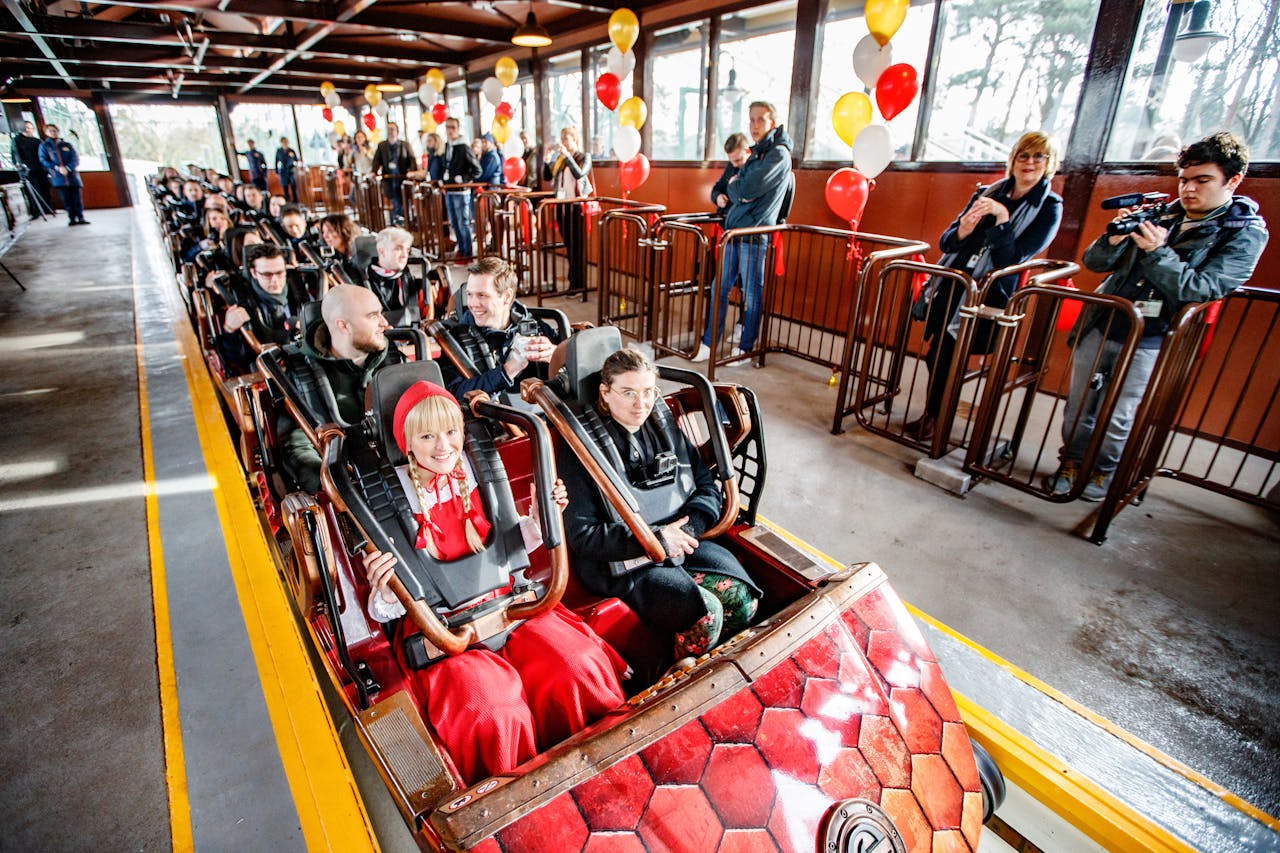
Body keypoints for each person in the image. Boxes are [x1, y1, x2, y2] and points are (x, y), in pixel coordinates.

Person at [360, 380, 627, 784]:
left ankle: (601, 768)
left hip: (511, 607)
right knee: (492, 711)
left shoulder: (474, 471)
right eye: (427, 435)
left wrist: (541, 516)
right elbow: (388, 607)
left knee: (576, 667)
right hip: (446, 632)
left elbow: (510, 546)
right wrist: (383, 588)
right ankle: (513, 792)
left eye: (451, 432)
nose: (443, 446)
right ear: (407, 443)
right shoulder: (386, 495)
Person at [1045, 132, 1268, 500]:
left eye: (1202, 180)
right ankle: (1070, 462)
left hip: (1152, 335)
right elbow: (1095, 263)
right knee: (1080, 403)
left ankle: (1103, 471)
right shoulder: (1161, 212)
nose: (1189, 189)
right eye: (1184, 180)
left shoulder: (1243, 233)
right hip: (1105, 321)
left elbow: (1202, 287)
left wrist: (1157, 253)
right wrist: (1114, 240)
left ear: (1233, 180)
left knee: (1118, 413)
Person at [560, 347, 761, 659]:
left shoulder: (663, 428)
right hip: (622, 561)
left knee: (743, 599)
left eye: (648, 392)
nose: (641, 404)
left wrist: (691, 527)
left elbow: (705, 486)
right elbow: (585, 536)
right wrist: (656, 539)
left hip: (681, 540)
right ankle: (676, 668)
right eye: (628, 393)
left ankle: (718, 664)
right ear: (605, 392)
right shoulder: (579, 448)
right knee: (705, 615)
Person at [904, 131, 1064, 442]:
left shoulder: (1049, 207)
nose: (1029, 163)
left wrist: (1002, 220)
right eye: (1023, 156)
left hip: (989, 295)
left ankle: (938, 418)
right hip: (954, 283)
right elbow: (947, 240)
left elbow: (1013, 259)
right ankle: (933, 414)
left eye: (1038, 157)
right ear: (1013, 161)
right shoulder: (990, 191)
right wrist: (963, 230)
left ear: (1049, 164)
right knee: (936, 354)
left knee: (952, 356)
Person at [692, 102, 792, 363]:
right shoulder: (759, 154)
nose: (755, 125)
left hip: (754, 235)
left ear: (772, 121)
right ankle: (709, 342)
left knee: (751, 294)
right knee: (719, 289)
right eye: (751, 120)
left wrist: (738, 190)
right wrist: (739, 189)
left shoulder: (777, 154)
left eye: (761, 119)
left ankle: (746, 347)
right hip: (734, 233)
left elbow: (745, 189)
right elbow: (736, 187)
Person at [280, 284, 404, 492]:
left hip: (403, 472)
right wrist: (339, 486)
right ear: (343, 326)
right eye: (373, 316)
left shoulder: (393, 357)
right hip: (349, 484)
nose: (384, 323)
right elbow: (297, 449)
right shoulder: (301, 375)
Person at [437, 256, 560, 402]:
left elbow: (570, 367)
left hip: (540, 411)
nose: (473, 304)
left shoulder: (533, 324)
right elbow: (450, 394)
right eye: (470, 294)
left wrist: (554, 354)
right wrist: (509, 370)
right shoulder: (455, 338)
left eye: (482, 295)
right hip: (491, 420)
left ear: (507, 297)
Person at [217, 243, 306, 375]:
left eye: (280, 273)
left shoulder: (297, 289)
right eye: (267, 274)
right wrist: (230, 329)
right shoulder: (241, 297)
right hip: (266, 369)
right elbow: (236, 359)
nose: (275, 280)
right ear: (253, 273)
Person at [542, 126, 593, 293]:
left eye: (566, 138)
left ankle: (578, 284)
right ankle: (574, 283)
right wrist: (547, 159)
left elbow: (580, 174)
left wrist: (567, 157)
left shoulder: (583, 157)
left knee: (577, 247)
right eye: (562, 138)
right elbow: (547, 176)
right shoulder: (561, 160)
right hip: (562, 207)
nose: (563, 141)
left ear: (575, 140)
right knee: (569, 246)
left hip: (576, 207)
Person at [364, 226, 421, 326]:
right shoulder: (365, 279)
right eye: (398, 248)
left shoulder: (407, 277)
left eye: (407, 250)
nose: (404, 255)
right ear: (382, 251)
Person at [442, 117, 481, 259]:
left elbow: (477, 170)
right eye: (448, 127)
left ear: (458, 129)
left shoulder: (464, 147)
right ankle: (461, 249)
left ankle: (467, 252)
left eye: (453, 127)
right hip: (449, 190)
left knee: (462, 222)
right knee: (454, 222)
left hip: (461, 192)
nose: (450, 130)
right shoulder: (447, 146)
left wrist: (463, 179)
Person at [38, 123, 88, 226]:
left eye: (55, 130)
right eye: (50, 131)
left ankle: (81, 217)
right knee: (66, 199)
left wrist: (68, 168)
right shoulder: (44, 146)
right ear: (46, 132)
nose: (53, 132)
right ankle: (72, 218)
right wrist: (57, 168)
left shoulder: (66, 145)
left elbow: (75, 159)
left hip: (72, 176)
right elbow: (43, 160)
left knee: (77, 198)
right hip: (58, 177)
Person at [372, 121, 417, 225]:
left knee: (404, 201)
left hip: (403, 178)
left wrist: (411, 171)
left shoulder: (405, 145)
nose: (390, 132)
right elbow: (376, 160)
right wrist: (374, 172)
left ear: (397, 131)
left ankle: (405, 222)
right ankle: (397, 222)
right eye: (388, 130)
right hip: (389, 179)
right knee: (395, 202)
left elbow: (412, 160)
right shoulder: (382, 145)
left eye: (392, 129)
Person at [11, 121, 53, 217]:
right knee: (34, 191)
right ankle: (36, 211)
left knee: (45, 189)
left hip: (41, 169)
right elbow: (15, 156)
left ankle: (48, 209)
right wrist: (18, 165)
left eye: (30, 128)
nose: (28, 130)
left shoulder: (37, 141)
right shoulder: (16, 141)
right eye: (26, 127)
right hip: (28, 171)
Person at [711, 133, 752, 215]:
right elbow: (716, 189)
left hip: (741, 219)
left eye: (738, 160)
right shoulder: (732, 166)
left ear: (748, 151)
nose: (735, 165)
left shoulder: (756, 169)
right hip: (724, 217)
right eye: (731, 161)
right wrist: (718, 197)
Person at [318, 213, 363, 283]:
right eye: (323, 232)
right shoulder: (334, 257)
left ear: (344, 231)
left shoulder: (358, 256)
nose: (325, 236)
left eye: (330, 231)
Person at [275, 136, 300, 203]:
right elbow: (276, 161)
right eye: (283, 142)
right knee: (285, 189)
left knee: (294, 188)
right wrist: (276, 171)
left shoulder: (291, 150)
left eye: (286, 142)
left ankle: (296, 202)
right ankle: (287, 202)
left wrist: (296, 168)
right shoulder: (279, 151)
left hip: (291, 171)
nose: (284, 143)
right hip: (283, 172)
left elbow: (296, 160)